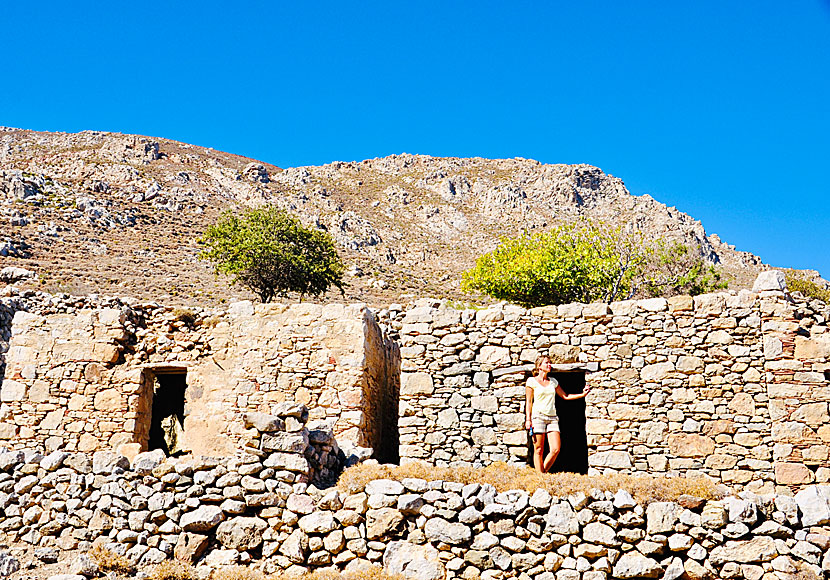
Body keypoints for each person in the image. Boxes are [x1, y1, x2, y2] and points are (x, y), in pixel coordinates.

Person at [525, 355, 591, 473]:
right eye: (546, 363)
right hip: (538, 417)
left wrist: (582, 394)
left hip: (552, 418)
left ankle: (542, 474)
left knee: (555, 448)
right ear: (539, 366)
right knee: (539, 449)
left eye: (549, 363)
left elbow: (565, 396)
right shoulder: (531, 381)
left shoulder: (553, 382)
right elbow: (528, 402)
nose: (549, 365)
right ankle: (540, 478)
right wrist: (528, 420)